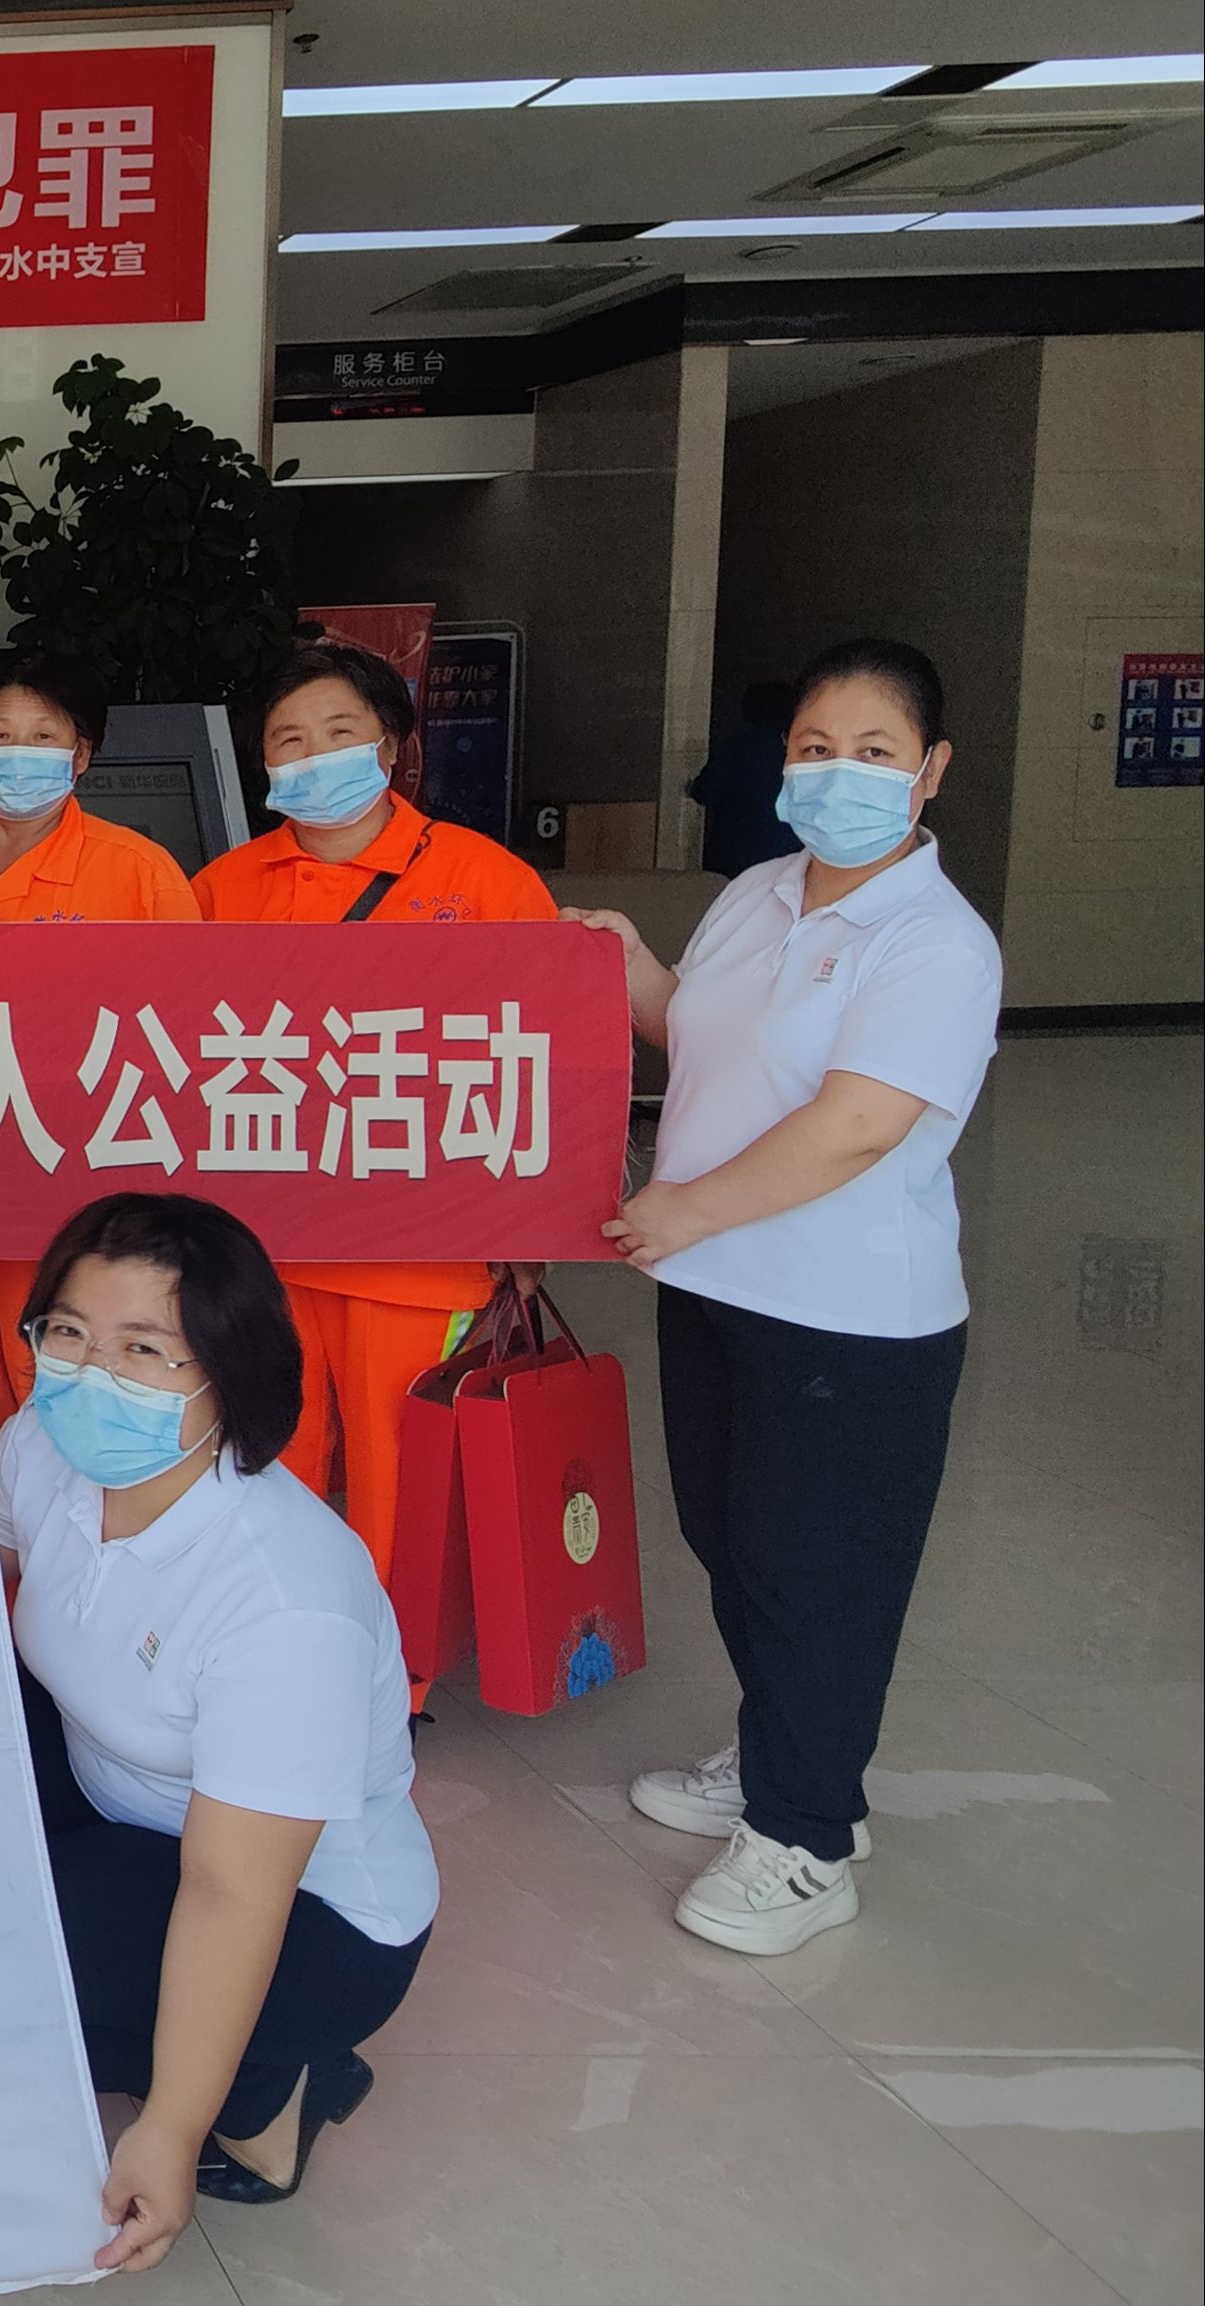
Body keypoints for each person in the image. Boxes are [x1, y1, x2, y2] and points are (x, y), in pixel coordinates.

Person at [567, 638, 998, 1958]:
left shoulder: (934, 940)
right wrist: (625, 964)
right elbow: (697, 1030)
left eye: (873, 751)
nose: (836, 774)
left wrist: (687, 1207)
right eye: (815, 748)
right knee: (735, 1539)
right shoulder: (760, 890)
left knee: (819, 1573)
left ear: (929, 771)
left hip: (847, 1317)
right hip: (715, 1288)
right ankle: (779, 1755)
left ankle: (808, 1836)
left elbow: (858, 1123)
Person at [0, 1194, 433, 2268]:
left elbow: (234, 1889)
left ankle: (260, 2093)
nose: (92, 1374)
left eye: (145, 1349)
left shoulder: (286, 1601)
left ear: (228, 1374)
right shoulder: (46, 1446)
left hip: (306, 1914)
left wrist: (171, 2130)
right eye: (68, 1331)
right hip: (118, 1787)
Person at [193, 640, 558, 1619]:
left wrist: (534, 1226)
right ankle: (274, 1645)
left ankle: (395, 1674)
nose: (313, 755)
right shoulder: (223, 889)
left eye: (339, 732)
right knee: (264, 1463)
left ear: (392, 747)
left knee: (404, 1478)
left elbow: (552, 1054)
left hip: (419, 1251)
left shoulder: (485, 881)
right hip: (263, 1244)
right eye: (288, 739)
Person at [0, 650, 200, 1429]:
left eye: (43, 737)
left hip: (78, 1182)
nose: (18, 755)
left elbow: (186, 1037)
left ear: (81, 754)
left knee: (69, 1372)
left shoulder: (140, 873)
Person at [688, 679, 802, 881]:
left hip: (733, 856)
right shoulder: (803, 750)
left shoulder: (733, 746)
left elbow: (704, 791)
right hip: (789, 854)